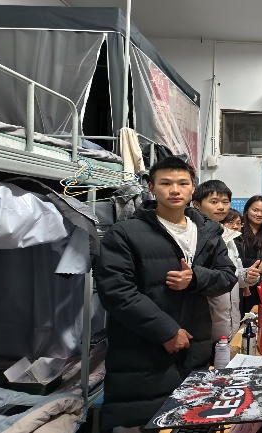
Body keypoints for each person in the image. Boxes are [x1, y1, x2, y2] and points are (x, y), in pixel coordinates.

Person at [95, 157, 237, 431]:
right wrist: (167, 331)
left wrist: (195, 278)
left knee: (191, 418)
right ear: (151, 187)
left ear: (192, 187)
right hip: (142, 350)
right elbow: (116, 291)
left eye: (182, 183)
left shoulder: (208, 232)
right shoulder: (125, 233)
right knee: (146, 421)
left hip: (195, 345)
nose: (175, 190)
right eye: (165, 183)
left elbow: (227, 277)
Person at [192, 180, 261, 341]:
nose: (221, 207)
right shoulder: (193, 235)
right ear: (197, 204)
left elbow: (232, 274)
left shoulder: (228, 237)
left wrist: (246, 276)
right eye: (214, 202)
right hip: (203, 326)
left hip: (231, 321)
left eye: (225, 202)